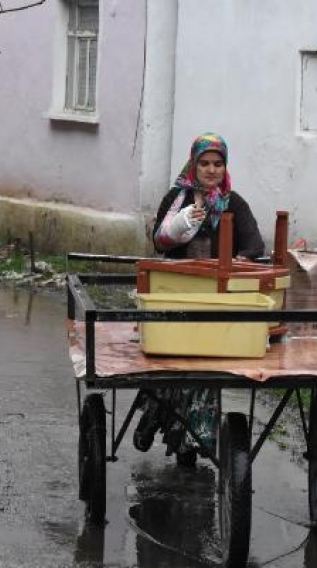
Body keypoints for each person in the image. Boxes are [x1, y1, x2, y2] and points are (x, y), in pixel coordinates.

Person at [133, 133, 265, 466]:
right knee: (172, 363)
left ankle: (189, 438)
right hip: (175, 293)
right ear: (194, 165)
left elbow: (254, 244)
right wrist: (178, 227)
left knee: (203, 367)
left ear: (225, 166)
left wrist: (244, 259)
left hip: (215, 300)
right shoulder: (177, 199)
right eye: (204, 163)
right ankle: (159, 419)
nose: (211, 170)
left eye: (217, 164)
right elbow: (158, 242)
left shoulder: (234, 203)